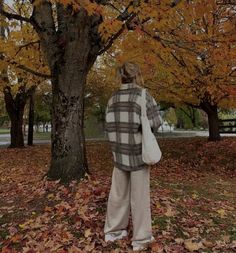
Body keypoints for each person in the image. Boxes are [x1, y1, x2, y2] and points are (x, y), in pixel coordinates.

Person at [104, 62, 162, 251]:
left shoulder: (112, 98)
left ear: (121, 76)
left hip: (119, 153)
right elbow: (156, 122)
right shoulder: (143, 95)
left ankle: (113, 231)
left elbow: (109, 126)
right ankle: (141, 239)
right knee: (140, 198)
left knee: (118, 195)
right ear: (137, 75)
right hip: (138, 153)